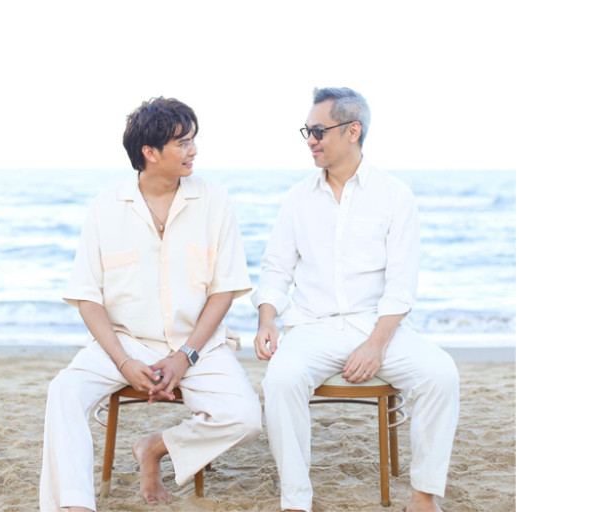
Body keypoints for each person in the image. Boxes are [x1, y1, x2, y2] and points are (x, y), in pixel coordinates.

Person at [40, 97, 262, 511]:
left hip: (197, 343)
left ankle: (155, 447)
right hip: (125, 342)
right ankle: (74, 505)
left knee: (246, 417)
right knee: (63, 391)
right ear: (150, 152)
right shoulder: (106, 207)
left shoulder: (214, 201)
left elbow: (224, 290)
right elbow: (88, 298)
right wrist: (124, 362)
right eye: (183, 143)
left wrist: (185, 356)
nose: (193, 151)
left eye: (194, 140)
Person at [252, 87, 460, 512]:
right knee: (280, 380)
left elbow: (401, 285)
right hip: (312, 326)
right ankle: (295, 502)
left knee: (441, 375)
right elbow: (275, 267)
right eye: (307, 131)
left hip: (377, 326)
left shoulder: (394, 194)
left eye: (318, 131)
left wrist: (376, 344)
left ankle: (423, 498)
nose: (310, 140)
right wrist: (267, 318)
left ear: (353, 131)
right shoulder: (297, 198)